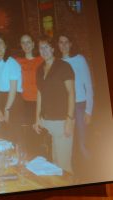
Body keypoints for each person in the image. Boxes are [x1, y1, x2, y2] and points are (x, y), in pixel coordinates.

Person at [33, 35, 75, 173]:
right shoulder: (39, 69)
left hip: (62, 121)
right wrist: (37, 119)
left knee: (64, 165)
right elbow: (39, 94)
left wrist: (69, 119)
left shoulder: (64, 66)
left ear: (52, 48)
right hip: (46, 122)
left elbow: (71, 93)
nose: (44, 50)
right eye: (41, 48)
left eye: (46, 47)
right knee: (52, 165)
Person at [57, 33, 94, 177]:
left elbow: (89, 86)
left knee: (82, 143)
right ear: (58, 45)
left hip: (80, 105)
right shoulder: (58, 62)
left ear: (71, 44)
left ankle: (91, 175)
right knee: (68, 143)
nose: (64, 45)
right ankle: (72, 175)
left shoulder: (80, 59)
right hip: (65, 107)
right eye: (61, 42)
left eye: (67, 42)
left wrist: (89, 111)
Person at [15, 34, 44, 154]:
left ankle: (38, 160)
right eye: (23, 42)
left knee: (37, 135)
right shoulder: (17, 61)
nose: (26, 45)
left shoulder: (41, 60)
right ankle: (28, 161)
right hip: (23, 102)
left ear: (33, 44)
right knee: (25, 136)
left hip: (39, 102)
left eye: (28, 42)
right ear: (21, 45)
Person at [0, 35, 23, 142]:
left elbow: (13, 89)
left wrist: (7, 109)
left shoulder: (12, 63)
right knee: (3, 137)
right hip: (1, 100)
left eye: (0, 43)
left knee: (14, 136)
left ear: (6, 45)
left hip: (13, 102)